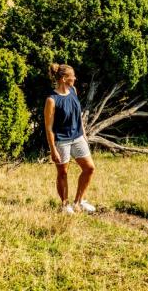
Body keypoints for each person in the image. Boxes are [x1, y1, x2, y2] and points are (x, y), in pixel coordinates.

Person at [44, 63, 96, 214]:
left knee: (89, 168)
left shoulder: (73, 90)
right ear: (63, 78)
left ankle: (79, 202)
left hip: (78, 137)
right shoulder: (52, 100)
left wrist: (84, 135)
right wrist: (53, 149)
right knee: (63, 173)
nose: (75, 78)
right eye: (72, 76)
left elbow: (77, 115)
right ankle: (65, 205)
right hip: (61, 141)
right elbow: (48, 127)